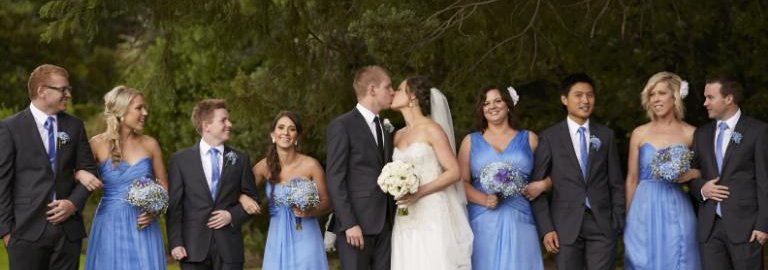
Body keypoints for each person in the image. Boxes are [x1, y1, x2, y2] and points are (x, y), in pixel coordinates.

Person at [0, 64, 98, 270]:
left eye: (68, 89)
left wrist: (73, 204)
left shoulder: (75, 126)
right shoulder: (10, 128)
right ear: (41, 91)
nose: (68, 94)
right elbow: (2, 183)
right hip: (25, 231)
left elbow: (89, 171)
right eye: (63, 89)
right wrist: (7, 233)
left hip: (68, 234)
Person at [530, 73, 625, 270]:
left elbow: (615, 183)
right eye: (579, 95)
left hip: (602, 225)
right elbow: (535, 189)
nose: (585, 100)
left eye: (590, 95)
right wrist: (546, 229)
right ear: (564, 99)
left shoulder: (605, 135)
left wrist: (617, 222)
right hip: (565, 227)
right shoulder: (549, 137)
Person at [74, 86, 167, 269]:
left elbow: (163, 184)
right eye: (139, 108)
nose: (145, 113)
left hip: (143, 225)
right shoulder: (96, 144)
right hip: (110, 223)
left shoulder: (150, 144)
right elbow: (68, 173)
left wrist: (154, 211)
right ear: (122, 111)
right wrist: (79, 172)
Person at [389, 76, 473, 270]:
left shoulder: (432, 129)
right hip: (406, 214)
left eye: (400, 89)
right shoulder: (398, 135)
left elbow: (454, 172)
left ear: (413, 97)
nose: (394, 92)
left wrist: (420, 191)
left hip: (432, 211)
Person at [166, 99, 260, 270]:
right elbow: (175, 206)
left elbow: (253, 199)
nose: (229, 124)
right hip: (192, 249)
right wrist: (175, 242)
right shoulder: (180, 160)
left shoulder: (240, 159)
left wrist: (232, 216)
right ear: (206, 126)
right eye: (223, 120)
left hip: (230, 250)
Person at [458, 86, 544, 270]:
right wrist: (484, 199)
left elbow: (556, 173)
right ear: (481, 109)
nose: (492, 106)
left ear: (508, 105)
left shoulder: (529, 139)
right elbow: (460, 183)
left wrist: (543, 185)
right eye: (486, 103)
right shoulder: (470, 141)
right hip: (482, 220)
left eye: (498, 101)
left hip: (520, 218)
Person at [623, 72, 701, 269]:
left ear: (675, 96)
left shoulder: (691, 133)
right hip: (643, 208)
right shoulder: (639, 133)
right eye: (651, 94)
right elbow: (632, 179)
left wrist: (692, 174)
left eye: (661, 93)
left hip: (677, 207)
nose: (655, 99)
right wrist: (629, 217)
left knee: (679, 259)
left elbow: (705, 172)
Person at [690, 76, 768, 270]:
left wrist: (763, 225)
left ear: (729, 99)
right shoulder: (701, 134)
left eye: (710, 97)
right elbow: (691, 175)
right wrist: (702, 189)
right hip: (710, 228)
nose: (705, 103)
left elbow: (765, 181)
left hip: (747, 227)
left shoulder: (757, 131)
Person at [238, 111, 331, 269]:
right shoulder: (264, 166)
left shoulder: (311, 165)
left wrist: (309, 211)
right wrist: (242, 198)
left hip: (306, 233)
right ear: (273, 134)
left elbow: (327, 201)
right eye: (281, 127)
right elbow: (237, 188)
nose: (286, 133)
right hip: (277, 236)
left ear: (297, 137)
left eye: (291, 129)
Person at [325, 65, 395, 270]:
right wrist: (348, 223)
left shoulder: (386, 127)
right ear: (372, 89)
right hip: (356, 227)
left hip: (386, 224)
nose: (392, 92)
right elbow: (335, 178)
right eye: (388, 87)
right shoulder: (342, 125)